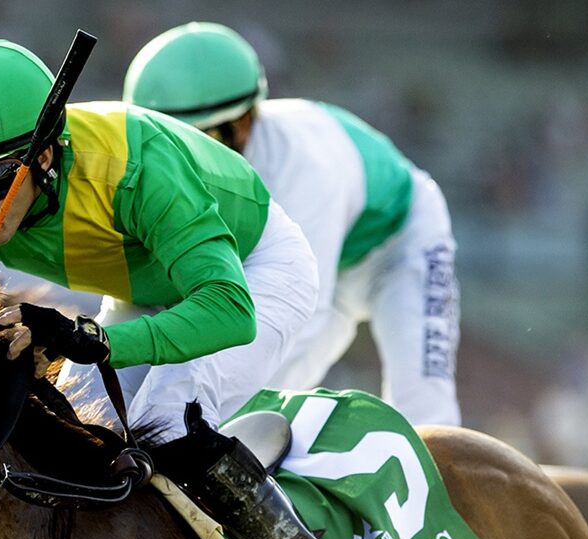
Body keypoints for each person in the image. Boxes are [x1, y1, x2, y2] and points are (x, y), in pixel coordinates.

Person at [0, 39, 380, 539]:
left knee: (164, 418)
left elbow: (229, 309)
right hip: (139, 284)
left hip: (251, 272)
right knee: (81, 430)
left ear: (44, 154)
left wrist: (91, 338)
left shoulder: (139, 165)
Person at [124, 22, 462, 427]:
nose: (178, 158)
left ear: (245, 122)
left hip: (398, 245)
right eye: (163, 141)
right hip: (319, 257)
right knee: (273, 406)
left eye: (196, 138)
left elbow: (300, 311)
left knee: (423, 409)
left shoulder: (301, 165)